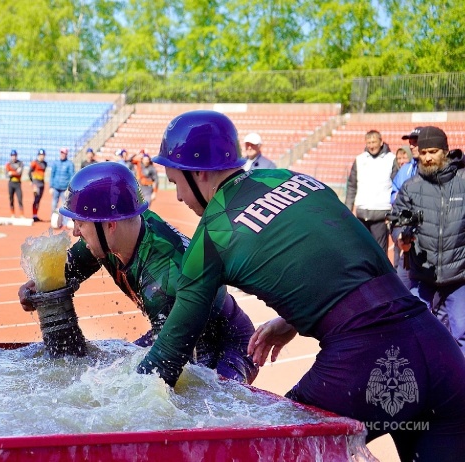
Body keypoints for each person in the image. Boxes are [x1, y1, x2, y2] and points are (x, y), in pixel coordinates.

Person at [137, 110, 465, 461]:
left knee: (264, 452)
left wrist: (118, 404)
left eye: (176, 183)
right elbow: (354, 259)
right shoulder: (294, 179)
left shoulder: (210, 236)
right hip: (440, 352)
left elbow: (168, 356)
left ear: (198, 172)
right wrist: (291, 320)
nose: (181, 196)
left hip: (366, 360)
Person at [18, 162, 258, 384]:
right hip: (175, 326)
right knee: (116, 369)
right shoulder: (120, 230)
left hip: (228, 344)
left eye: (80, 224)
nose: (76, 233)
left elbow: (167, 371)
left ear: (109, 225)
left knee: (201, 403)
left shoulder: (163, 281)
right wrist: (39, 285)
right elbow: (70, 267)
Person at [391, 126, 465, 356]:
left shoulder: (463, 184)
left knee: (461, 332)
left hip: (459, 276)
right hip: (422, 274)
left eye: (432, 151)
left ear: (445, 151)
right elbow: (397, 220)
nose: (427, 157)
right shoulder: (411, 187)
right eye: (423, 153)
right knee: (414, 331)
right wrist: (401, 238)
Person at [344, 130, 398, 254]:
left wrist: (394, 212)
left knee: (379, 253)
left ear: (381, 142)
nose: (371, 145)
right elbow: (352, 186)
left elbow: (397, 188)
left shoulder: (391, 159)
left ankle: (381, 274)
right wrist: (347, 209)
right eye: (369, 142)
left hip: (381, 214)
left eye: (374, 142)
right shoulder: (359, 159)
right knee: (362, 251)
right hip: (362, 214)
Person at [390, 127, 423, 289]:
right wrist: (399, 233)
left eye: (415, 142)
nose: (411, 146)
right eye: (410, 142)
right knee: (402, 288)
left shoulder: (435, 172)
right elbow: (395, 197)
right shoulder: (406, 169)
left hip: (429, 245)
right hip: (407, 238)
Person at [49, 147, 75, 225]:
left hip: (65, 188)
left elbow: (72, 176)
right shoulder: (55, 163)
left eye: (64, 153)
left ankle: (65, 222)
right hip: (56, 187)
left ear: (66, 154)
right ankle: (53, 219)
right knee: (54, 204)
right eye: (61, 153)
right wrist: (51, 187)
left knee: (65, 205)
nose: (62, 154)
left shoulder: (70, 164)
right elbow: (52, 175)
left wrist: (69, 189)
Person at [29, 149, 47, 222]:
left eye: (43, 155)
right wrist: (33, 183)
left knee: (39, 199)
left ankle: (36, 215)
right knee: (36, 199)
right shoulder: (34, 163)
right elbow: (29, 172)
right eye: (40, 155)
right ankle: (34, 215)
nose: (42, 156)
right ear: (38, 155)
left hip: (42, 183)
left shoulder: (45, 163)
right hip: (36, 184)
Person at [5, 149, 24, 217]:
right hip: (11, 183)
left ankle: (21, 214)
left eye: (15, 156)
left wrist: (12, 173)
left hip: (18, 184)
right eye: (12, 156)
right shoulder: (8, 164)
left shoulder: (20, 163)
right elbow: (7, 174)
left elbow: (20, 173)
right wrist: (15, 172)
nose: (14, 157)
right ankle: (12, 214)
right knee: (11, 199)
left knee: (20, 198)